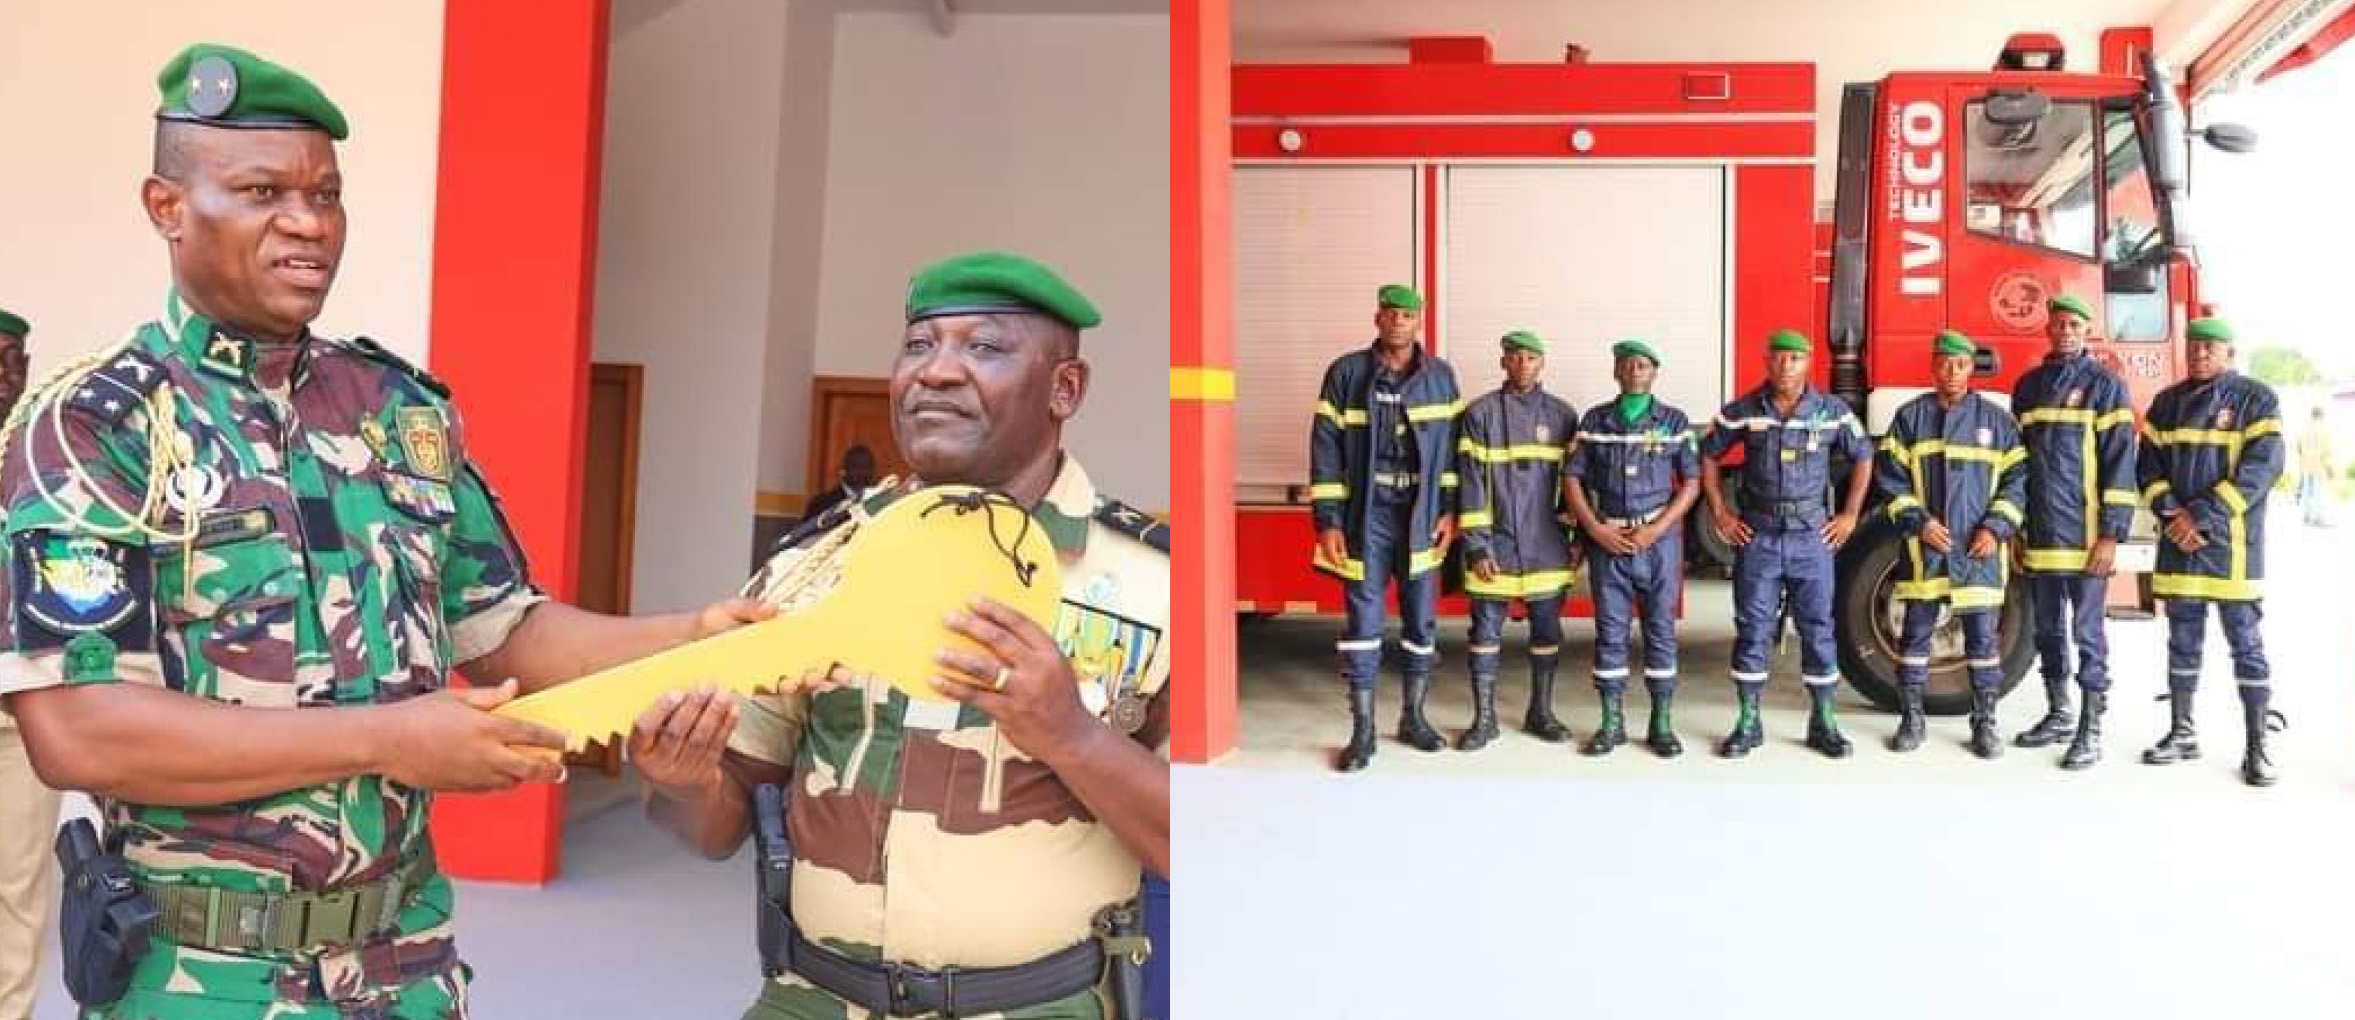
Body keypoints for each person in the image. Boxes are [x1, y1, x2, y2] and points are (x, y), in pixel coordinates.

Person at [0, 44, 765, 1019]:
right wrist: (389, 740)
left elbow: (507, 631)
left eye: (327, 196)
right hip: (205, 977)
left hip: (402, 963)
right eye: (265, 191)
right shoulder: (95, 426)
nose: (308, 225)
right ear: (167, 208)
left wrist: (685, 637)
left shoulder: (396, 409)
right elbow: (78, 730)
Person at [633, 251, 1170, 1020]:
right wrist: (679, 776)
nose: (938, 372)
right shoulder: (810, 567)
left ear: (1064, 389)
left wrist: (1070, 736)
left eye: (983, 347)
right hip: (812, 999)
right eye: (919, 346)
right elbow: (709, 830)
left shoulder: (1158, 585)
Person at [1698, 329, 1872, 759]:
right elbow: (1707, 455)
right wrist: (1720, 511)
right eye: (1779, 357)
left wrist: (1849, 514)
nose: (1786, 366)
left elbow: (1863, 455)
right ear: (1766, 360)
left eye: (1795, 358)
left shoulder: (1831, 411)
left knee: (1818, 629)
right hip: (1759, 536)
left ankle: (1823, 720)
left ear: (1809, 361)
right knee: (1752, 629)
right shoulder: (1744, 411)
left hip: (1811, 536)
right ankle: (1748, 720)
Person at [1308, 284, 1460, 772]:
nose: (1399, 322)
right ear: (1377, 318)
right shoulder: (1346, 374)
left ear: (1420, 323)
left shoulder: (1440, 378)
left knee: (1421, 620)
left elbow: (1454, 453)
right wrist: (1328, 521)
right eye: (1391, 314)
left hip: (1419, 513)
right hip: (1365, 516)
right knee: (1363, 623)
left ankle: (1414, 718)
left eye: (1408, 316)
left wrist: (1449, 510)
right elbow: (1325, 448)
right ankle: (1363, 730)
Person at [2137, 317, 2286, 786]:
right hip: (2181, 547)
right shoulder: (2166, 404)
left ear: (2229, 352)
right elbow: (2148, 469)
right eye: (2195, 346)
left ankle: (2257, 747)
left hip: (2233, 548)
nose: (2200, 354)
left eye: (2211, 347)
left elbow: (2262, 469)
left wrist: (2196, 517)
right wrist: (2171, 514)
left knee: (2246, 645)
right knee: (2182, 642)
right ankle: (2181, 732)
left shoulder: (2256, 399)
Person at [1874, 331, 2027, 758]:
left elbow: (2018, 483)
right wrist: (1918, 522)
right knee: (1915, 636)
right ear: (1933, 366)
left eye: (1960, 365)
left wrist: (1994, 529)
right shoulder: (1910, 418)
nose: (1952, 372)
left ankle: (1984, 722)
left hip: (1978, 551)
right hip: (1928, 551)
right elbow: (1890, 481)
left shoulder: (1997, 422)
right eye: (1944, 363)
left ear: (1970, 369)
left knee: (1982, 642)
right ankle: (1912, 718)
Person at [2009, 294, 2136, 767]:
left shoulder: (2105, 387)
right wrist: (2016, 530)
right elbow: (2018, 466)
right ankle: (2059, 712)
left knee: (2087, 633)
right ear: (2049, 330)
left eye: (2074, 324)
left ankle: (2091, 726)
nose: (2065, 331)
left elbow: (2120, 464)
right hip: (2040, 537)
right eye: (2059, 324)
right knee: (2045, 630)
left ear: (2087, 332)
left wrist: (2111, 534)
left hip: (2085, 540)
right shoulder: (2028, 388)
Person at [1562, 339, 1701, 757]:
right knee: (1610, 634)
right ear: (1617, 372)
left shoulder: (1674, 422)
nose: (1635, 371)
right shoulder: (1595, 421)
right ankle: (1611, 722)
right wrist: (1595, 529)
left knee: (1660, 632)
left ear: (1654, 372)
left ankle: (1661, 723)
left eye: (1643, 365)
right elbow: (1572, 478)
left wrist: (1657, 528)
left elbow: (1691, 483)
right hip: (1610, 541)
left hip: (1658, 544)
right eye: (1627, 365)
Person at [1451, 329, 1578, 750]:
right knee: (1484, 634)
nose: (1523, 364)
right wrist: (1477, 546)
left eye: (1531, 357)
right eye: (1516, 356)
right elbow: (1470, 485)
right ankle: (1483, 719)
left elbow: (1576, 485)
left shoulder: (1563, 416)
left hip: (1548, 547)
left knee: (1547, 633)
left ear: (1543, 363)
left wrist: (1576, 538)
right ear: (1503, 361)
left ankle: (1540, 712)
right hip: (1497, 548)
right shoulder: (1480, 414)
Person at [0, 304, 60, 1020]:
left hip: (24, 704)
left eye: (15, 363)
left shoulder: (51, 457)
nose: (5, 377)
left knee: (17, 885)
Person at [799, 443, 877, 524]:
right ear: (844, 469)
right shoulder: (822, 503)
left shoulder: (877, 499)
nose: (862, 472)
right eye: (856, 466)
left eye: (867, 466)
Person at [2296, 406, 2334, 527]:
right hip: (2320, 467)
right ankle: (2318, 518)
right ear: (2322, 415)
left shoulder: (2304, 429)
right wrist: (2330, 469)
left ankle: (2307, 516)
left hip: (2306, 465)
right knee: (2319, 492)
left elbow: (2299, 447)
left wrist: (2304, 459)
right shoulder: (2324, 431)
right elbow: (2327, 451)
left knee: (2307, 491)